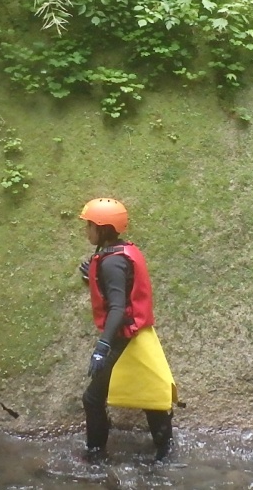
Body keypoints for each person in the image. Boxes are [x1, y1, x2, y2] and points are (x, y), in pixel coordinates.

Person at [78, 197, 174, 462]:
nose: (86, 231)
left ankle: (95, 455)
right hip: (138, 335)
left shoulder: (111, 263)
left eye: (89, 226)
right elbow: (122, 289)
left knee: (92, 399)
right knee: (150, 395)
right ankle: (165, 452)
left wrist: (102, 346)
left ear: (103, 229)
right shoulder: (122, 253)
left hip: (124, 338)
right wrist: (95, 277)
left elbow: (118, 308)